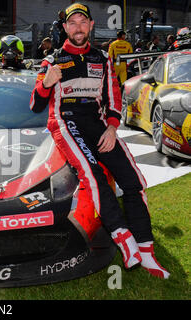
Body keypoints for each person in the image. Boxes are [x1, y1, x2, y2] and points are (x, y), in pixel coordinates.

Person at [30, 3, 169, 279]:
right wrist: (46, 83)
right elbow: (35, 104)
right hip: (66, 123)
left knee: (134, 180)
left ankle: (146, 249)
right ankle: (122, 237)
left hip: (99, 126)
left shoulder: (102, 58)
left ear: (91, 26)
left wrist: (112, 128)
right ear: (65, 27)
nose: (78, 27)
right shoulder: (51, 61)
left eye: (83, 22)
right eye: (73, 23)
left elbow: (113, 98)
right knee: (93, 176)